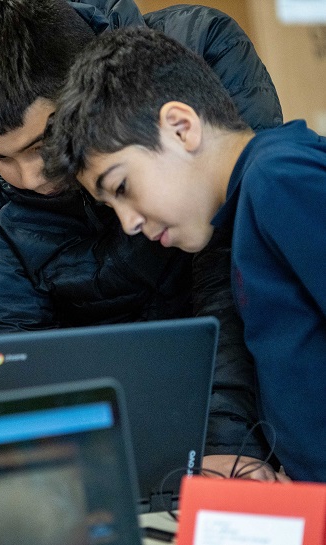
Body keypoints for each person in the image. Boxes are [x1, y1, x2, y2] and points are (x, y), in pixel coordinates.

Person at [0, 0, 283, 480]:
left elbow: (239, 265)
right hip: (107, 438)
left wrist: (223, 438)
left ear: (85, 88)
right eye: (0, 157)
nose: (30, 177)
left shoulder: (198, 50)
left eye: (42, 143)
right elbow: (10, 353)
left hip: (249, 405)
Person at [43, 26, 326, 482]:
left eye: (122, 187)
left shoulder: (278, 178)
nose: (128, 222)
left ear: (180, 127)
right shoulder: (249, 203)